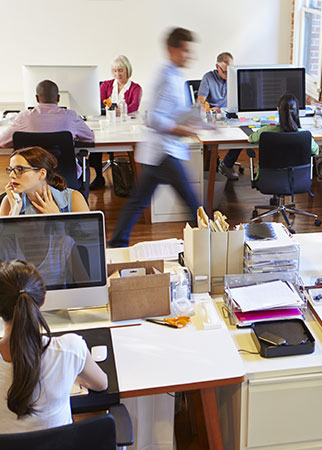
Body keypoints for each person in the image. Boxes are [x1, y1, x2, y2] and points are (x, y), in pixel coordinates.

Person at [108, 28, 201, 248]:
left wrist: (201, 123)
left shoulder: (177, 76)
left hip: (161, 151)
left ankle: (116, 243)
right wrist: (180, 129)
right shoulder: (164, 77)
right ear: (172, 49)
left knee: (138, 201)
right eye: (186, 50)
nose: (190, 56)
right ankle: (210, 243)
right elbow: (151, 117)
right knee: (193, 203)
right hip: (163, 151)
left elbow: (177, 112)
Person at [0, 259, 108, 433]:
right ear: (43, 300)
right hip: (62, 444)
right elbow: (101, 384)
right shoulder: (71, 349)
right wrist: (72, 373)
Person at [0, 80, 94, 195]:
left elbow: (2, 142)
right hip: (66, 174)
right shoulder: (70, 116)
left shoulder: (23, 117)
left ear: (37, 98)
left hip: (31, 175)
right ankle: (80, 200)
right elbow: (90, 138)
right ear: (58, 98)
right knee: (84, 164)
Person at [90, 55, 143, 190]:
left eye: (120, 70)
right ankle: (98, 177)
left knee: (133, 147)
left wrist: (121, 110)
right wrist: (111, 109)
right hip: (107, 123)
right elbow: (100, 102)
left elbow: (134, 106)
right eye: (114, 71)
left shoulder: (136, 88)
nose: (117, 74)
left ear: (127, 70)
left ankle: (133, 181)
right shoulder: (105, 85)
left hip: (125, 125)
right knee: (95, 143)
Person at [0, 146, 90, 216]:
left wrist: (57, 218)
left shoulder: (73, 198)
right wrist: (13, 213)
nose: (12, 175)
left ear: (42, 174)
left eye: (20, 169)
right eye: (11, 170)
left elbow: (88, 234)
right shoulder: (10, 201)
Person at [197, 52, 241, 180]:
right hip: (213, 116)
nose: (228, 75)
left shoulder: (235, 77)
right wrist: (210, 110)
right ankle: (209, 170)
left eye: (230, 71)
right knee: (211, 140)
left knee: (243, 136)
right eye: (225, 72)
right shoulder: (208, 78)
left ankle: (227, 164)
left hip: (229, 115)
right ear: (217, 67)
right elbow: (200, 102)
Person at [247, 93, 319, 154]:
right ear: (297, 110)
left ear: (278, 109)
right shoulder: (305, 136)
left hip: (271, 167)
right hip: (296, 167)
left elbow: (251, 139)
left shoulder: (265, 131)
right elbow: (316, 151)